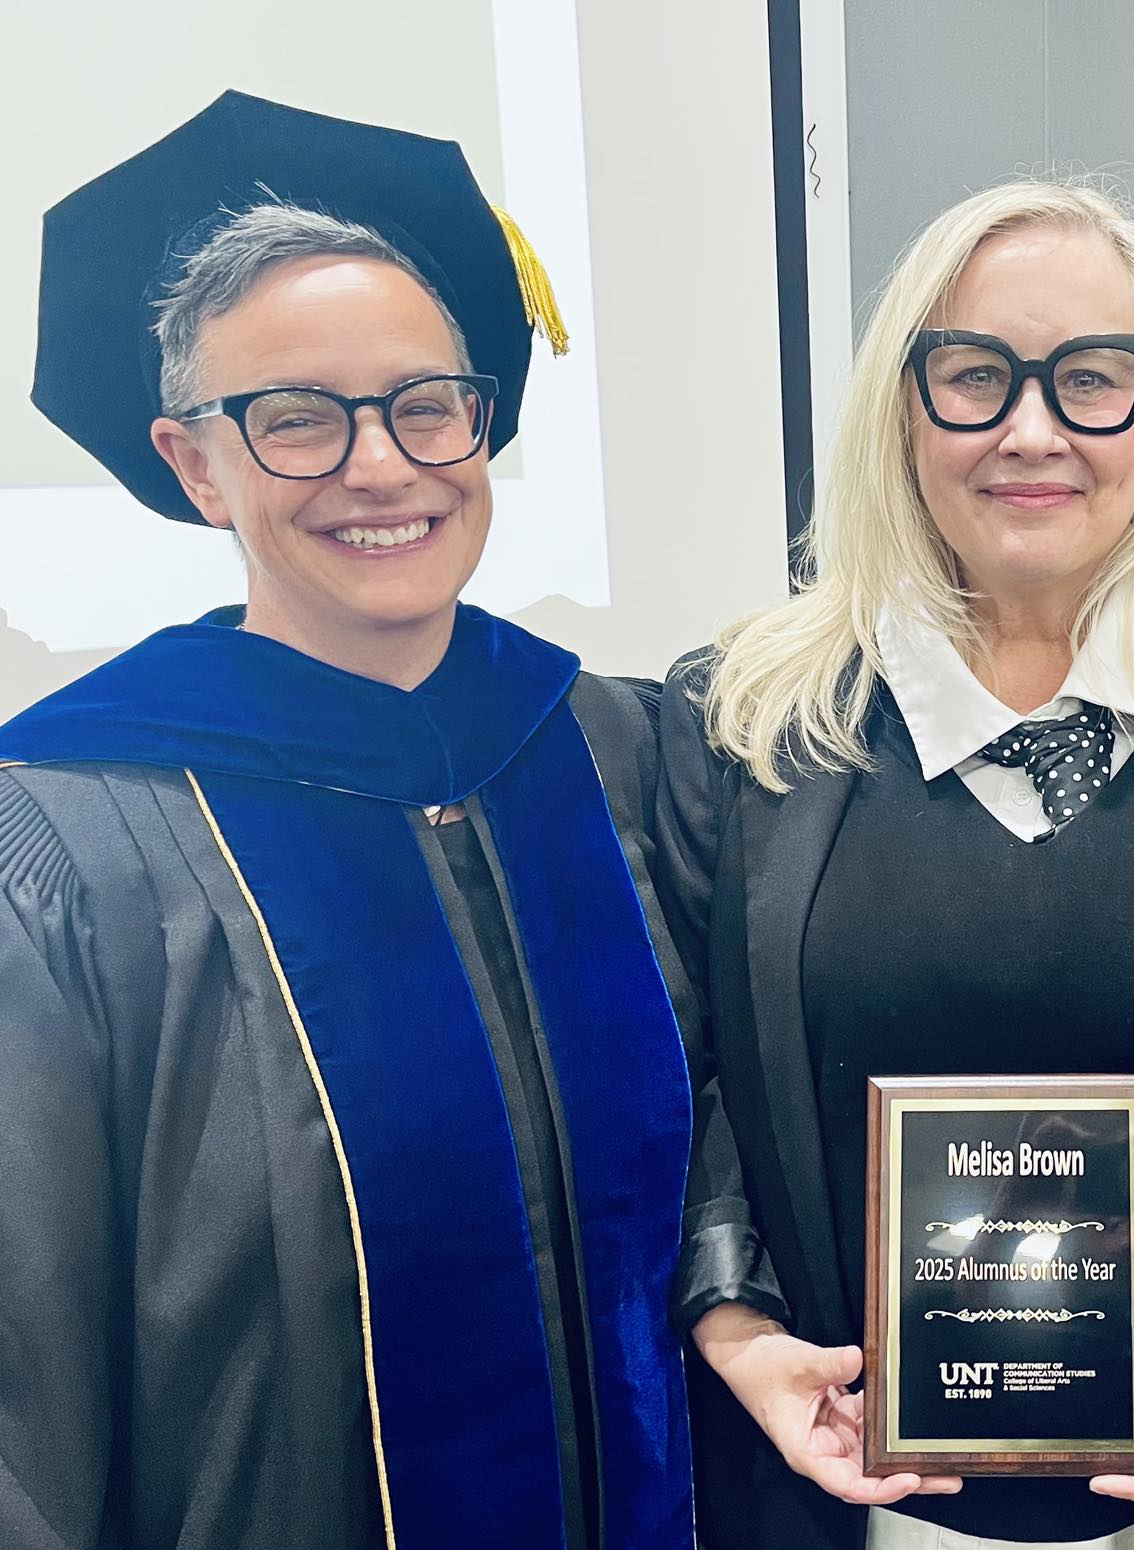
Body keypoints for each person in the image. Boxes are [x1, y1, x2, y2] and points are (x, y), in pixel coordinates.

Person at [657, 181, 1134, 1550]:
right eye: (975, 375)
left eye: (1091, 377)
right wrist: (735, 1324)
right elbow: (679, 1084)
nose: (1032, 430)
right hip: (848, 1486)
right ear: (902, 410)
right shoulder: (743, 721)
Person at [0, 93, 697, 1548]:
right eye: (298, 420)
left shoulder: (613, 748)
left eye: (423, 404)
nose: (381, 466)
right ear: (197, 465)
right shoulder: (76, 832)